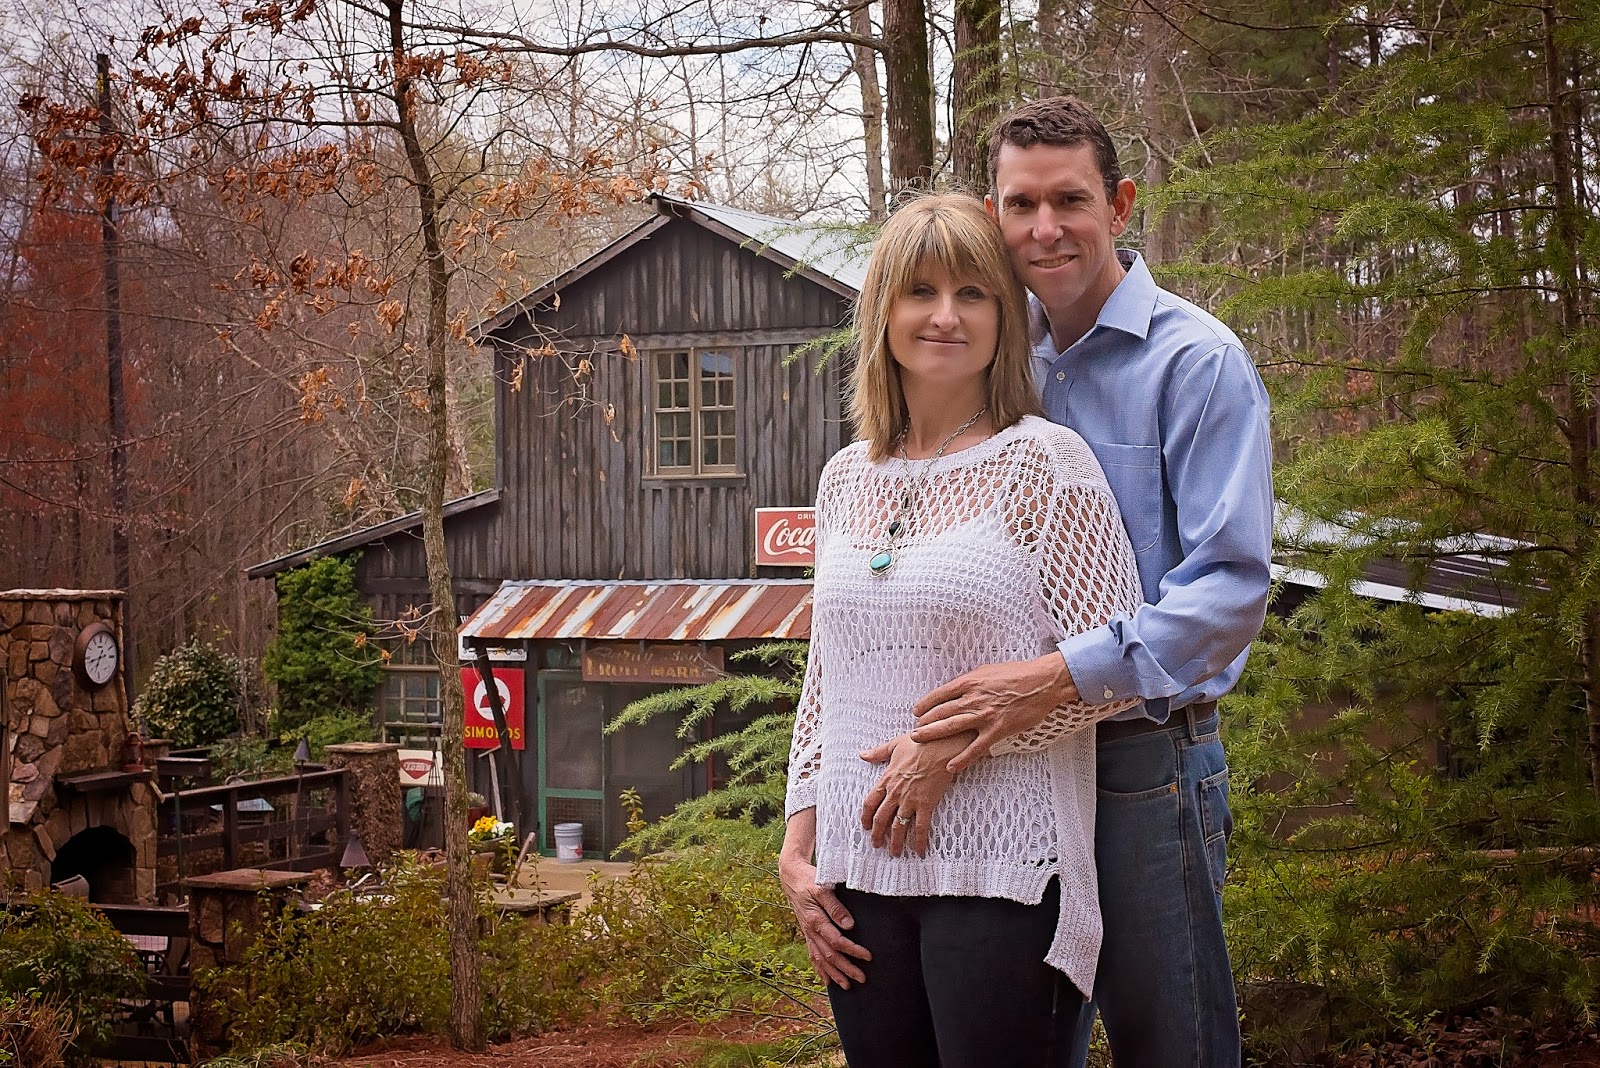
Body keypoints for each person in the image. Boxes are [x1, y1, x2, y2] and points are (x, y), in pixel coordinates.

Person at [888, 98, 1275, 1067]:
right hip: (1003, 765)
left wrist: (1058, 679)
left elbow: (1228, 588)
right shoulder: (988, 351)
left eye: (1070, 200)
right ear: (994, 213)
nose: (1045, 228)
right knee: (1023, 1042)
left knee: (1170, 1042)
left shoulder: (1196, 363)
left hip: (1141, 762)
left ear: (1120, 203)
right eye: (1021, 205)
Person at [779, 193, 1146, 1068]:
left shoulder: (1045, 464)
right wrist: (798, 842)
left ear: (1004, 318)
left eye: (972, 293)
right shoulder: (845, 477)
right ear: (884, 312)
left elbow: (1115, 674)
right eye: (921, 292)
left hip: (1004, 868)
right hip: (856, 873)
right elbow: (827, 678)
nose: (945, 315)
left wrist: (952, 745)